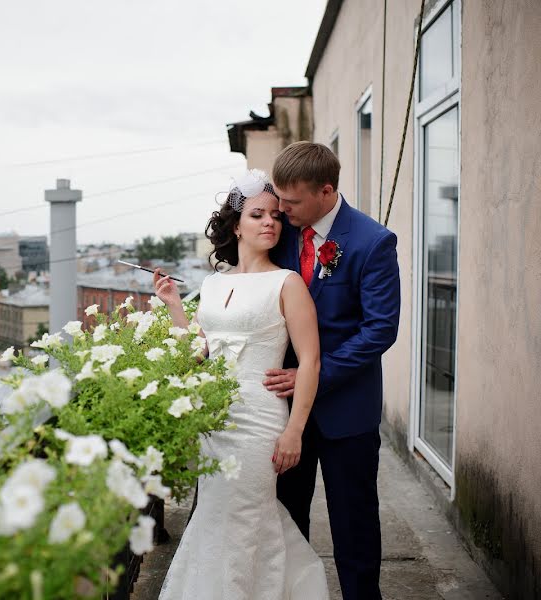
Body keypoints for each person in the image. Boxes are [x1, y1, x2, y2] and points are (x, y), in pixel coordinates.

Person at [155, 169, 329, 599]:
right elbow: (199, 352)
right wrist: (175, 306)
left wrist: (294, 432)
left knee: (246, 515)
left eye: (275, 215)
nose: (270, 222)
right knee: (215, 516)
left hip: (260, 420)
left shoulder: (287, 282)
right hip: (214, 419)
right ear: (236, 226)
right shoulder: (213, 284)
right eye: (257, 215)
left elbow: (310, 360)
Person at [266, 142, 400, 600]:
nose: (280, 210)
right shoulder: (281, 230)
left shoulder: (372, 241)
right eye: (278, 200)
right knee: (286, 519)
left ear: (326, 191)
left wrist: (314, 376)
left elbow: (380, 330)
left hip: (347, 412)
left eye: (291, 201)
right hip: (282, 413)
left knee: (354, 527)